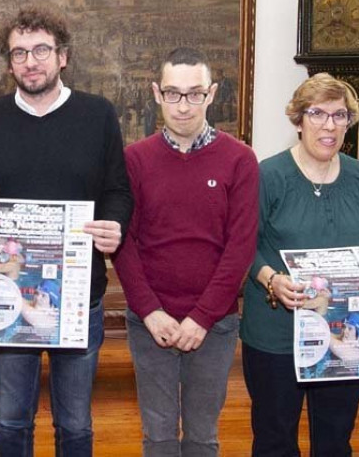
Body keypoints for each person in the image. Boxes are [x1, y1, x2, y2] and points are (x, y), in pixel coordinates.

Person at [0, 7, 133, 456]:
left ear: (62, 56)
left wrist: (116, 226)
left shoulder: (97, 114)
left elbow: (117, 191)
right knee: (11, 419)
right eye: (19, 53)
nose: (30, 61)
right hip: (9, 295)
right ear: (9, 62)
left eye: (40, 50)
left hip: (78, 295)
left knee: (75, 424)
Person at [240, 73, 359, 456]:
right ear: (298, 120)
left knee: (335, 438)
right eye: (317, 114)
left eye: (340, 115)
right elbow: (244, 244)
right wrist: (270, 278)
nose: (330, 125)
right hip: (275, 333)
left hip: (344, 333)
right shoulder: (267, 175)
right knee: (275, 439)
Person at [110, 47, 258, 456]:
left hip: (215, 325)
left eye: (194, 94)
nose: (183, 105)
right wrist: (149, 310)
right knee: (157, 437)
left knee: (201, 437)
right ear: (157, 94)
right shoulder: (134, 159)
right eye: (173, 93)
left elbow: (241, 247)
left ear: (211, 94)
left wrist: (202, 317)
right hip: (150, 321)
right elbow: (124, 242)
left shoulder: (240, 160)